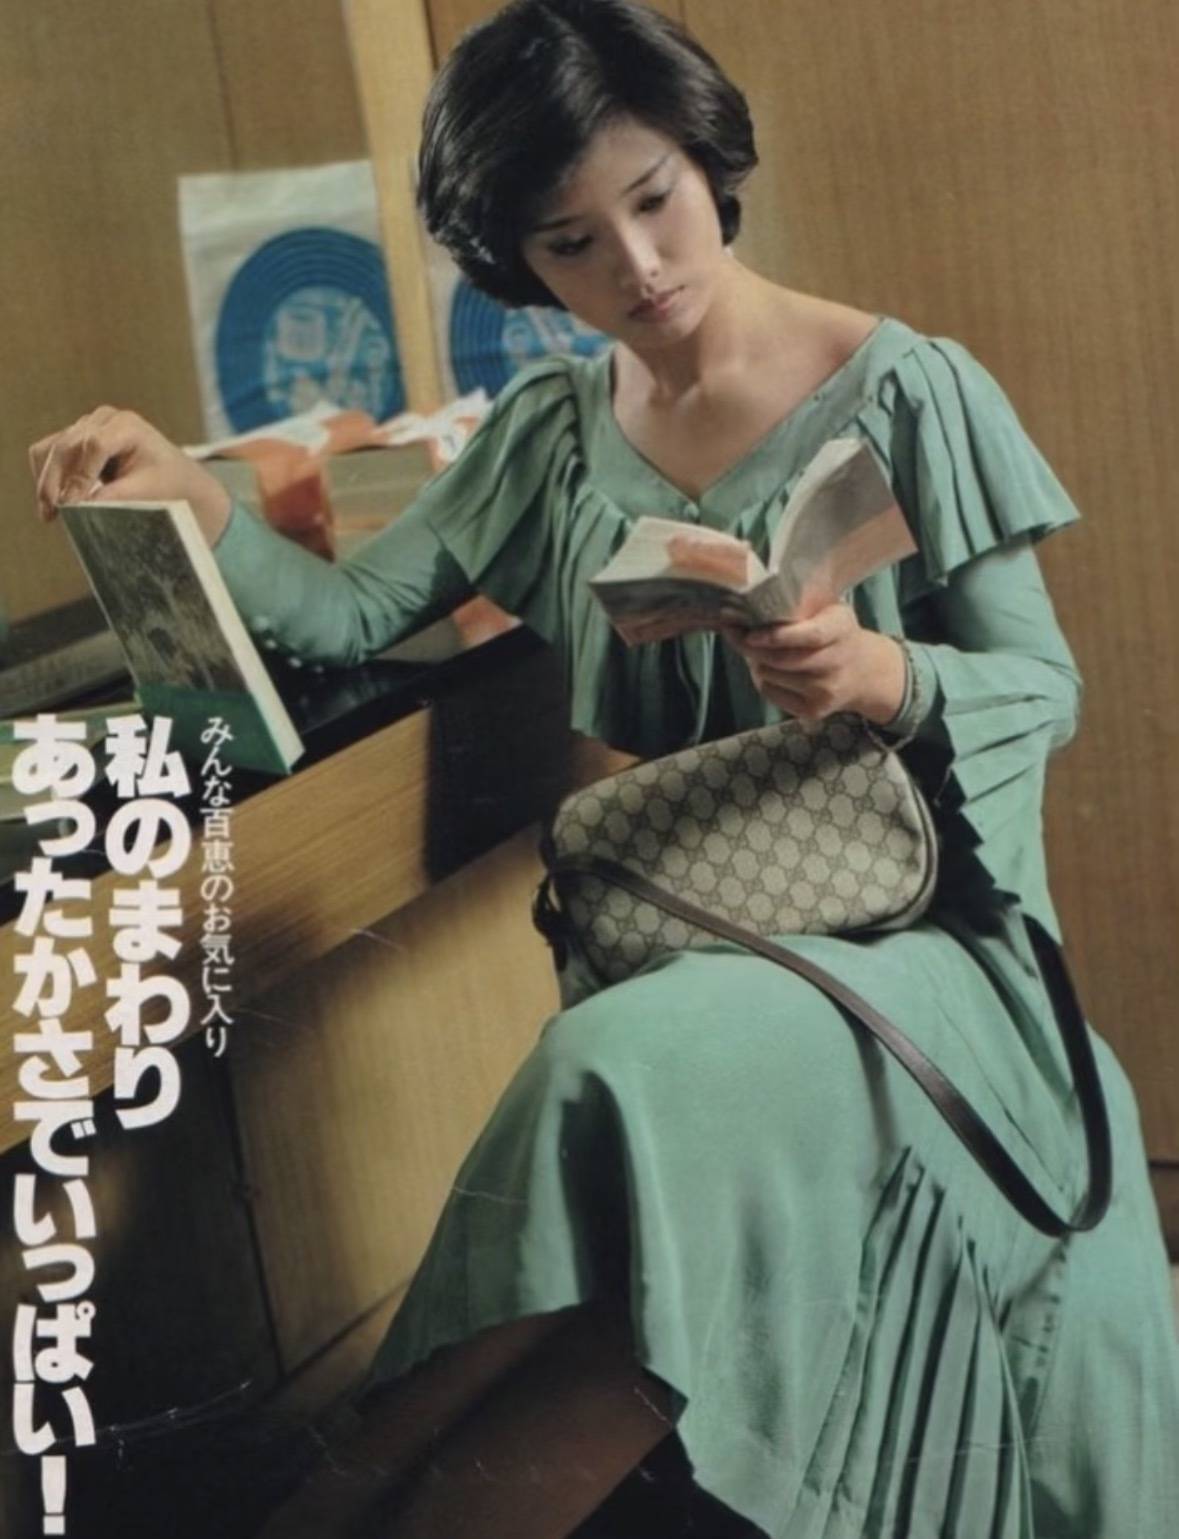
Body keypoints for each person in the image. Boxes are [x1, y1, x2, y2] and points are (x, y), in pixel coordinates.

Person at [30, 2, 1179, 1535]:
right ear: (520, 261)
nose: (636, 266)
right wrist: (197, 496)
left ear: (708, 161)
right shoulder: (556, 434)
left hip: (937, 952)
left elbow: (1048, 686)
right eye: (572, 243)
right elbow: (354, 612)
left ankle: (319, 1504)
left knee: (611, 1073)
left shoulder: (909, 388)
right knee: (619, 1223)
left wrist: (880, 674)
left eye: (655, 200)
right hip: (709, 936)